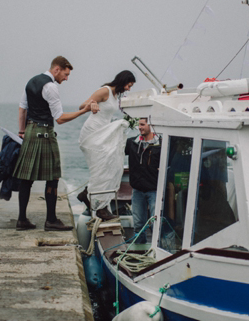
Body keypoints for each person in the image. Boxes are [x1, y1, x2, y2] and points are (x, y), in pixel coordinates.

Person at [13, 56, 94, 231]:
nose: (66, 78)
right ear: (57, 69)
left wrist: (22, 131)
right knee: (53, 177)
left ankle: (22, 219)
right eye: (65, 74)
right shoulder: (50, 87)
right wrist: (84, 111)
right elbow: (60, 118)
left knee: (26, 178)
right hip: (45, 133)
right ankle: (51, 220)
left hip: (30, 131)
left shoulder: (31, 82)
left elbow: (22, 108)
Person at [78, 70, 136, 221]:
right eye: (129, 85)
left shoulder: (116, 95)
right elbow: (82, 105)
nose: (129, 89)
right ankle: (99, 207)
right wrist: (92, 104)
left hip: (103, 132)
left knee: (110, 165)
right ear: (123, 81)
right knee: (102, 166)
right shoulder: (105, 91)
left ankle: (88, 194)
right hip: (93, 132)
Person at [125, 118, 161, 243]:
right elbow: (115, 150)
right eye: (138, 125)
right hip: (137, 190)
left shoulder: (161, 144)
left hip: (154, 190)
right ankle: (139, 248)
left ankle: (156, 250)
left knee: (155, 223)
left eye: (142, 124)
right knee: (138, 224)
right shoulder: (131, 143)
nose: (139, 127)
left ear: (151, 124)